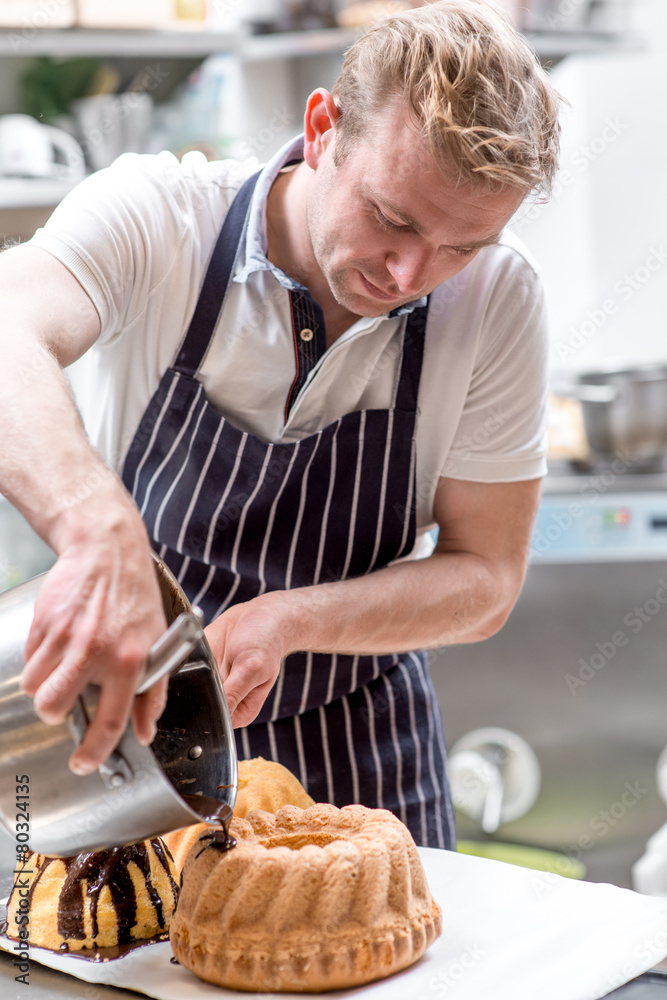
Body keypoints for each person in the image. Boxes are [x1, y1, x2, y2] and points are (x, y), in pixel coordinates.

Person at [0, 0, 561, 848]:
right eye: (394, 218)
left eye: (461, 246)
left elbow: (485, 574)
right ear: (323, 126)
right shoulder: (161, 218)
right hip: (133, 749)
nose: (412, 272)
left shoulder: (498, 300)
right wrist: (97, 528)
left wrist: (291, 621)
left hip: (367, 767)